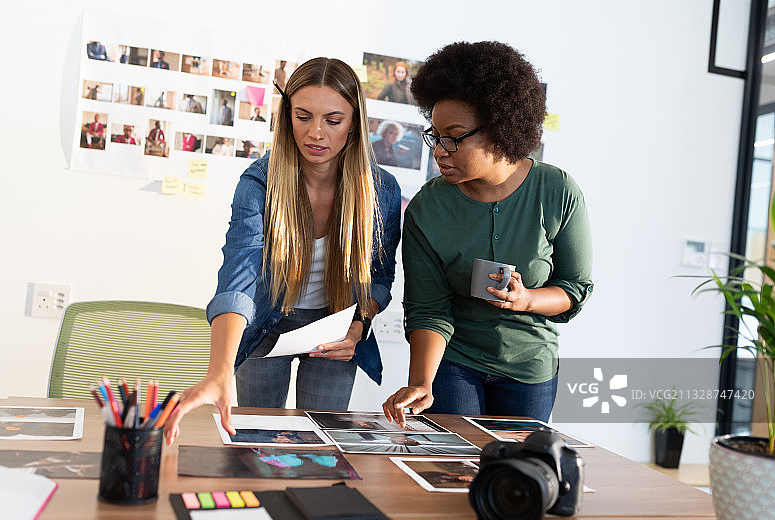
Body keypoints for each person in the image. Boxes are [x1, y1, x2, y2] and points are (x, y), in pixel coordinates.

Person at [164, 57, 401, 445]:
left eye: (333, 120)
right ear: (286, 114)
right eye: (303, 116)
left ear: (355, 122)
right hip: (264, 327)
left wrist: (357, 328)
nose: (315, 133)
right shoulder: (259, 182)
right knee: (256, 442)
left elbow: (380, 277)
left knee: (319, 446)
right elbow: (239, 273)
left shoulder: (382, 191)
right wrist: (219, 370)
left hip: (334, 331)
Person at [382, 41, 593, 426]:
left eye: (455, 137)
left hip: (530, 368)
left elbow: (574, 289)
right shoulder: (428, 209)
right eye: (436, 135)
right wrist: (421, 382)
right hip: (455, 362)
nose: (440, 151)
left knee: (517, 474)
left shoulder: (557, 191)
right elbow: (429, 308)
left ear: (498, 129)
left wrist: (526, 299)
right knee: (454, 469)